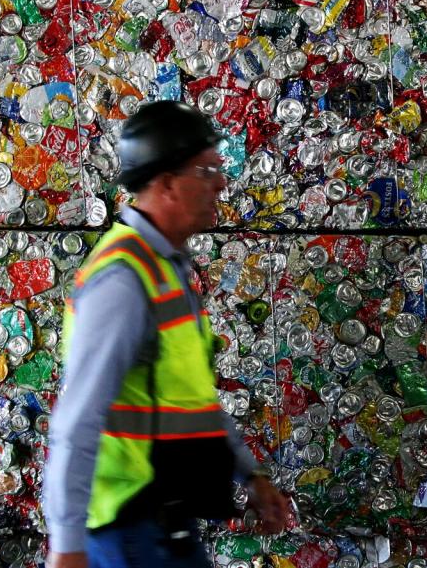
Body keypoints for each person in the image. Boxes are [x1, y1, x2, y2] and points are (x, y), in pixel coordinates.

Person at [43, 101, 288, 568]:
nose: (220, 182)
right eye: (207, 169)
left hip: (166, 529)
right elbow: (78, 421)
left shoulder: (167, 270)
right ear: (169, 183)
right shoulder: (123, 280)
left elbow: (193, 395)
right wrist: (66, 546)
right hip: (127, 534)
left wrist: (249, 476)